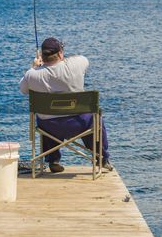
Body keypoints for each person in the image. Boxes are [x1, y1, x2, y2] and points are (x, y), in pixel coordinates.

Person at [19, 37, 112, 173]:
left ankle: (53, 159)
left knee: (48, 116)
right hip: (78, 124)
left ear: (42, 56)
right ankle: (101, 157)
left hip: (49, 128)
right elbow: (85, 60)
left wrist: (34, 67)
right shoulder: (75, 65)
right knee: (94, 116)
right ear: (61, 53)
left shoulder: (32, 75)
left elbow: (22, 89)